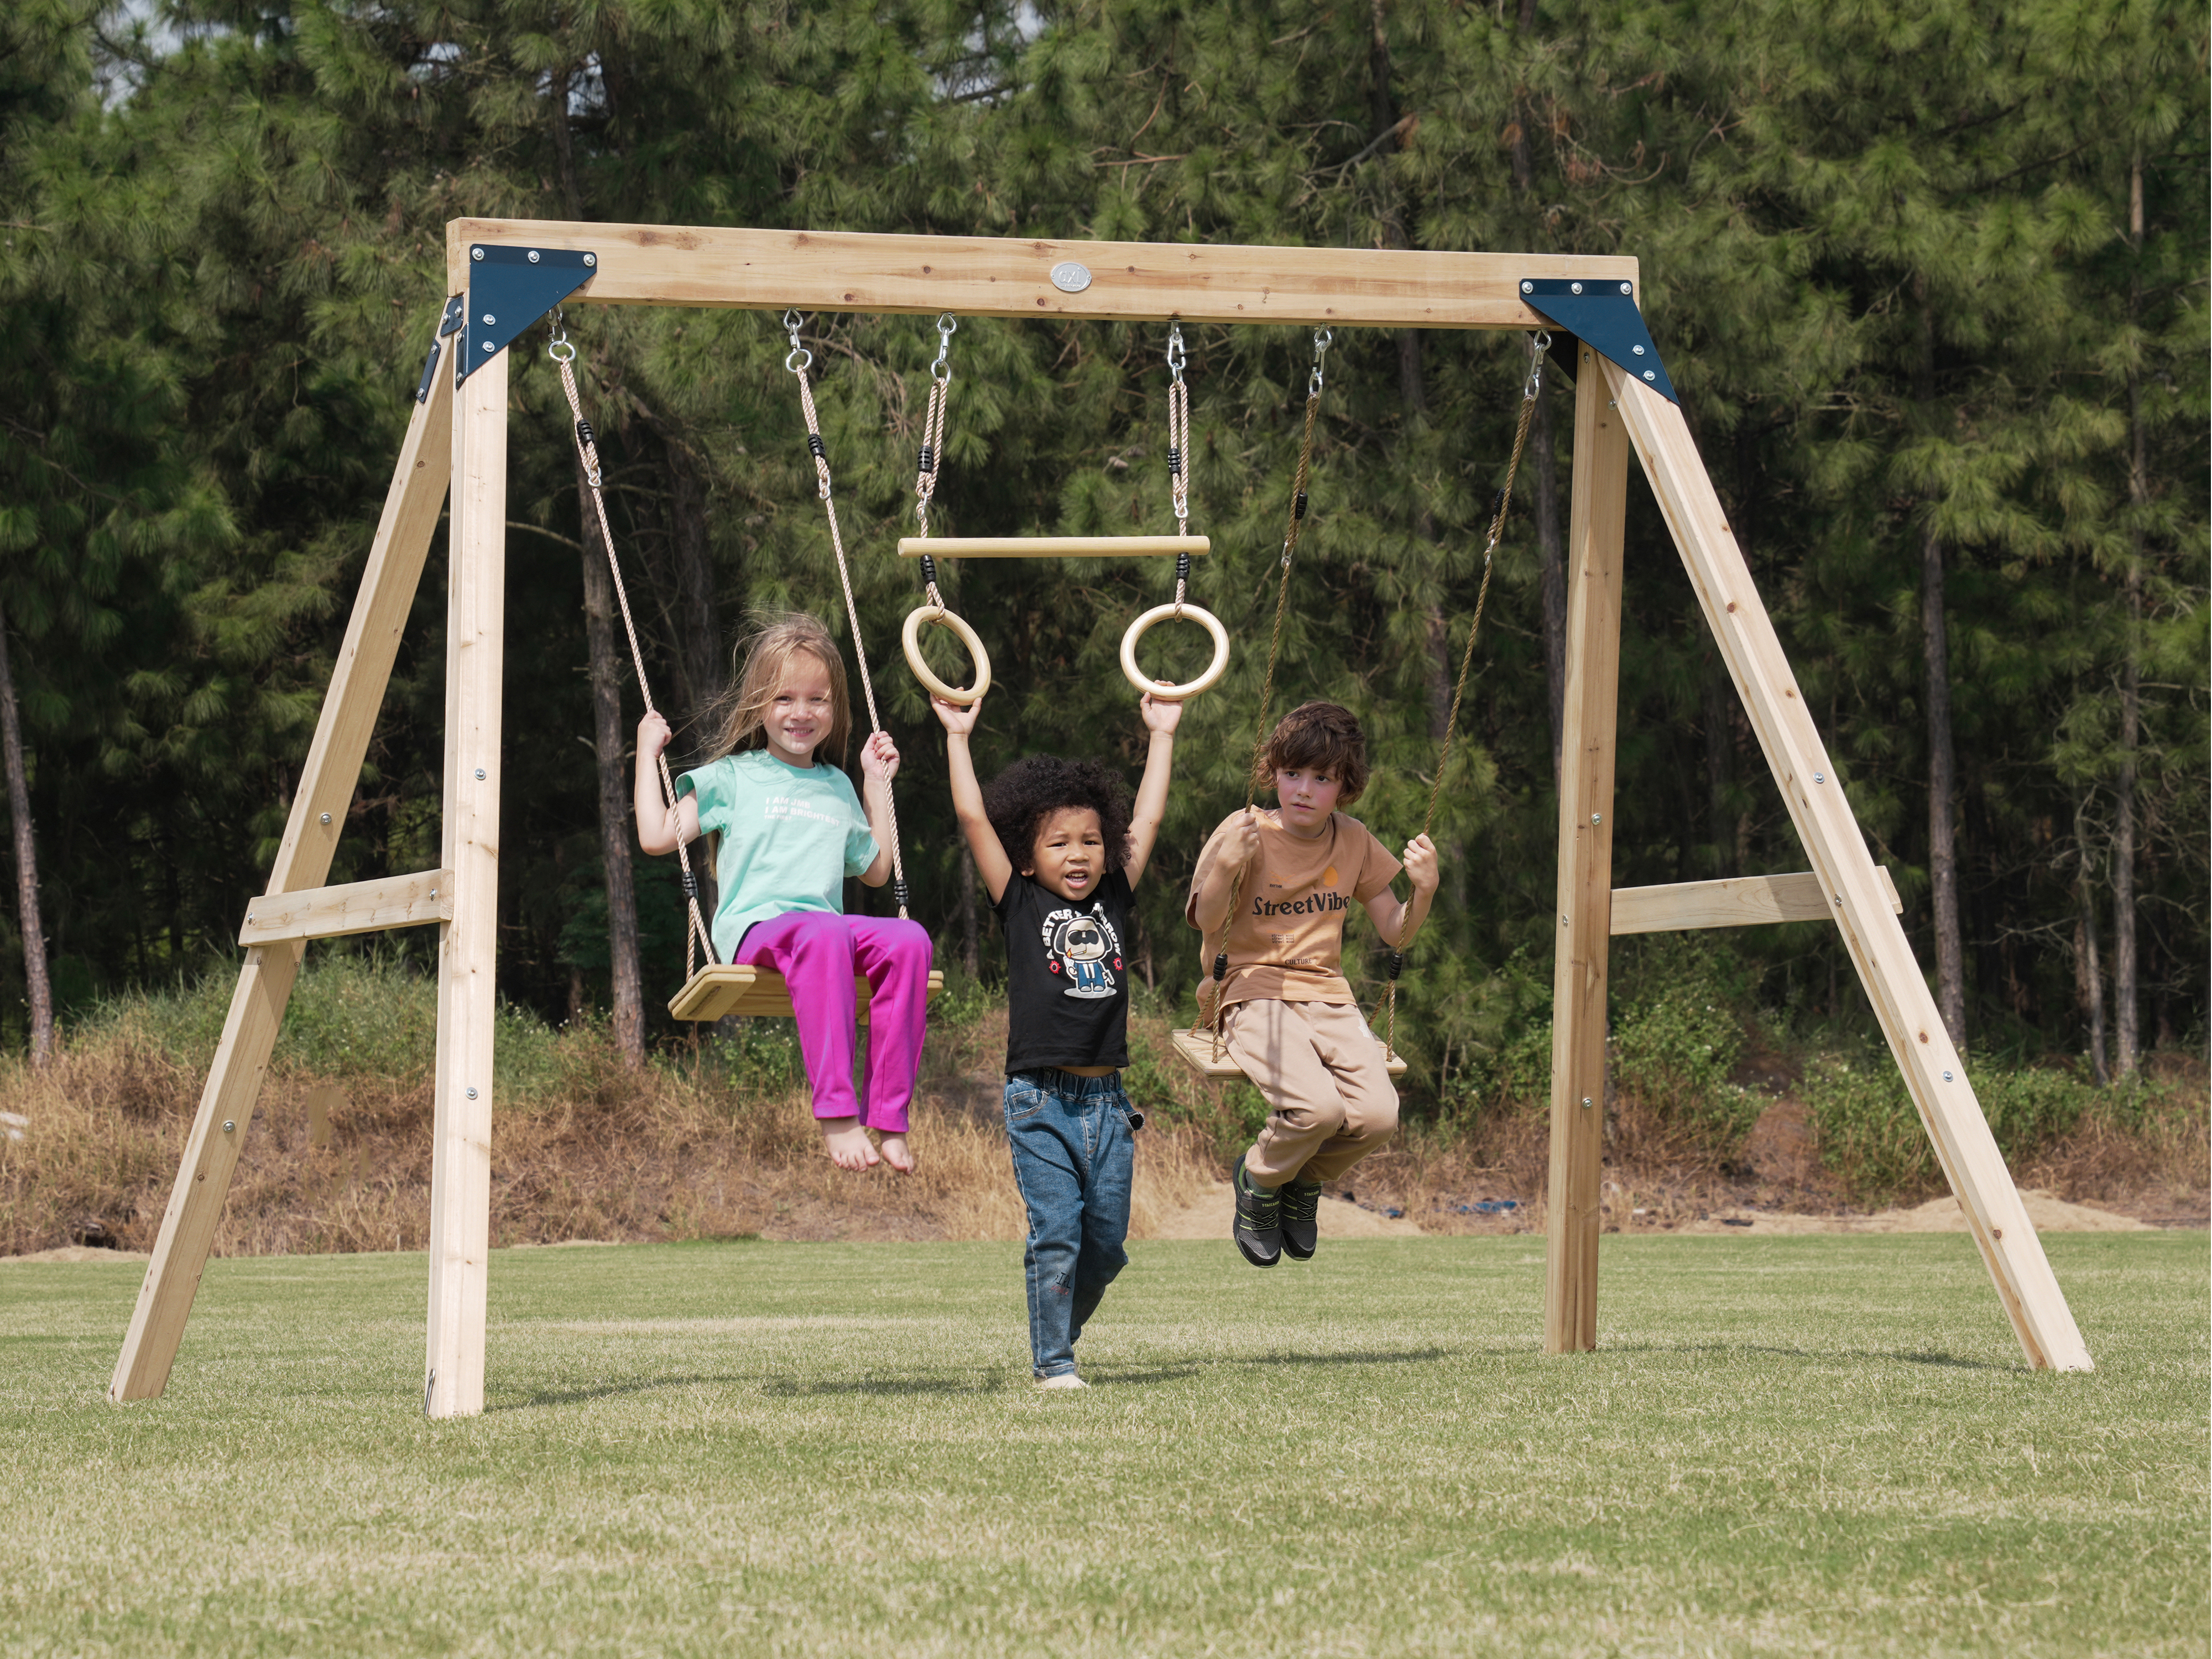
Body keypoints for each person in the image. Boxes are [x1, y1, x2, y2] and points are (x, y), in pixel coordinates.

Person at [932, 685, 1182, 1389]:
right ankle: (1054, 1363)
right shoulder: (1019, 900)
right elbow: (970, 814)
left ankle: (1056, 1331)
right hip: (1039, 1102)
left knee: (1106, 1246)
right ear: (1026, 858)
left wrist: (1162, 733)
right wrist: (957, 737)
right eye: (1060, 843)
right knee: (1058, 1233)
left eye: (1092, 842)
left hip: (1109, 1107)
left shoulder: (1113, 896)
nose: (1079, 855)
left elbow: (1152, 815)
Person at [636, 613, 931, 1173]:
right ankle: (837, 1112)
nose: (801, 713)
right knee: (823, 932)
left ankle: (889, 1119)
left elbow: (874, 871)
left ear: (834, 708)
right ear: (759, 704)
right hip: (758, 932)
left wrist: (873, 781)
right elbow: (656, 837)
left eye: (817, 699)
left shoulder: (836, 785)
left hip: (824, 937)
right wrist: (644, 753)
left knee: (909, 939)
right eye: (784, 698)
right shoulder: (733, 777)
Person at [1186, 701, 1438, 1267]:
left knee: (1378, 1117)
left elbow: (1395, 931)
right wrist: (1226, 865)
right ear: (1272, 772)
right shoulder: (1243, 830)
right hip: (1251, 991)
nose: (1302, 790)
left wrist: (1423, 891)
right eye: (1291, 774)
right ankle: (1258, 1178)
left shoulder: (1353, 840)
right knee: (1317, 1110)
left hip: (1327, 997)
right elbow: (1206, 924)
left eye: (1321, 779)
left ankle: (1301, 1182)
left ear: (1344, 786)